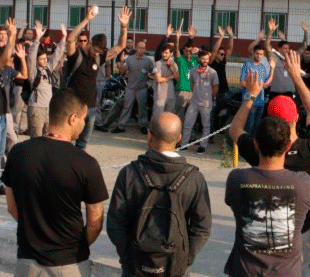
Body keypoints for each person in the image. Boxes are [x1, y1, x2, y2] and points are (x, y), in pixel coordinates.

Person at [231, 49, 310, 277]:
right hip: (300, 231)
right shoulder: (307, 151)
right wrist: (296, 78)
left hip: (259, 232)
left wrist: (251, 96)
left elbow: (235, 131)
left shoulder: (258, 150)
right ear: (296, 119)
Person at [2, 89, 108, 276]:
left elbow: (11, 206)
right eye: (83, 119)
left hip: (28, 262)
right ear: (72, 118)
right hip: (69, 264)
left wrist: (33, 230)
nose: (84, 124)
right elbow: (95, 221)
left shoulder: (18, 153)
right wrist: (76, 246)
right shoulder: (86, 163)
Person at [107, 112, 212, 277]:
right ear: (179, 138)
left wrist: (128, 255)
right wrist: (185, 258)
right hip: (176, 267)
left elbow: (115, 223)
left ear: (149, 136)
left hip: (135, 266)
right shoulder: (194, 178)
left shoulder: (129, 173)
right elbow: (202, 227)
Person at [225, 115, 310, 277]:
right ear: (288, 145)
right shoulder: (303, 183)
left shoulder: (237, 178)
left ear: (256, 143)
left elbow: (235, 130)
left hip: (245, 271)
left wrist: (250, 98)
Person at [65, 5, 130, 149]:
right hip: (73, 107)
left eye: (99, 52)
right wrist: (87, 19)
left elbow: (120, 45)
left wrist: (124, 27)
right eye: (95, 50)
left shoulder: (99, 57)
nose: (96, 53)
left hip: (91, 108)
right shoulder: (77, 55)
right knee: (67, 142)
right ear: (90, 43)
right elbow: (70, 40)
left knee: (82, 144)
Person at [27, 22, 66, 138]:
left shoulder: (48, 68)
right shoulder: (33, 71)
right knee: (36, 139)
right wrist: (38, 38)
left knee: (48, 138)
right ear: (37, 60)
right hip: (36, 109)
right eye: (42, 59)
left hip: (48, 108)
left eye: (45, 58)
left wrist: (63, 37)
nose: (45, 60)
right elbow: (31, 57)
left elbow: (57, 54)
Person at [181, 50, 218, 153]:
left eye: (207, 59)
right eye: (203, 58)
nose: (205, 61)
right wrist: (196, 93)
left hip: (206, 104)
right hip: (194, 103)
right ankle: (184, 144)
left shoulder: (213, 72)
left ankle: (203, 146)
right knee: (188, 123)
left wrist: (209, 97)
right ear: (199, 59)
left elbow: (215, 87)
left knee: (206, 125)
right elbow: (192, 83)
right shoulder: (193, 71)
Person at [113, 40, 154, 134]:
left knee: (142, 108)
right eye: (140, 47)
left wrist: (154, 73)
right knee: (127, 107)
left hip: (142, 88)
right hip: (130, 88)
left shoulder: (148, 61)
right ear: (136, 48)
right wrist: (122, 62)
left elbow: (152, 71)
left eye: (143, 48)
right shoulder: (129, 59)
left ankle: (143, 125)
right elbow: (123, 72)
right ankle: (121, 126)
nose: (142, 50)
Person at [0, 19, 19, 192]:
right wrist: (12, 35)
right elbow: (4, 58)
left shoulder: (7, 67)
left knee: (0, 151)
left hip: (2, 112)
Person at [240, 43, 272, 134]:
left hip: (260, 100)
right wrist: (253, 86)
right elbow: (242, 83)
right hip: (250, 98)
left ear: (263, 55)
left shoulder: (262, 68)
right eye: (257, 53)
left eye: (261, 54)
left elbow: (266, 84)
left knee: (257, 127)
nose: (259, 56)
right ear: (254, 53)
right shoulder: (247, 65)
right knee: (249, 125)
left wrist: (272, 68)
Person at [209, 25, 234, 133]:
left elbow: (229, 49)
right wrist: (221, 37)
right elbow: (214, 50)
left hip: (225, 92)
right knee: (212, 114)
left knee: (227, 113)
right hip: (215, 93)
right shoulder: (211, 62)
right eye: (221, 54)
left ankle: (223, 131)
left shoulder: (223, 62)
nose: (223, 56)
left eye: (224, 54)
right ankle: (211, 134)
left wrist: (231, 37)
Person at [174, 24, 199, 120]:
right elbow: (176, 50)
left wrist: (198, 50)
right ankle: (177, 132)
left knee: (191, 115)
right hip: (182, 90)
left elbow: (208, 55)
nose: (188, 52)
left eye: (190, 50)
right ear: (183, 51)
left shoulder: (195, 60)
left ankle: (189, 134)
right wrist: (177, 39)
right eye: (186, 50)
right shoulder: (181, 59)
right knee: (179, 114)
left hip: (192, 91)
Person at [152, 45, 180, 118]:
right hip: (160, 94)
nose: (164, 55)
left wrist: (172, 67)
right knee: (158, 116)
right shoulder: (157, 64)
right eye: (163, 52)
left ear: (171, 54)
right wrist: (171, 76)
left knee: (169, 116)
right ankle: (153, 129)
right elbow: (158, 79)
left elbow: (177, 78)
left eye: (166, 53)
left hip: (170, 94)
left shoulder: (173, 64)